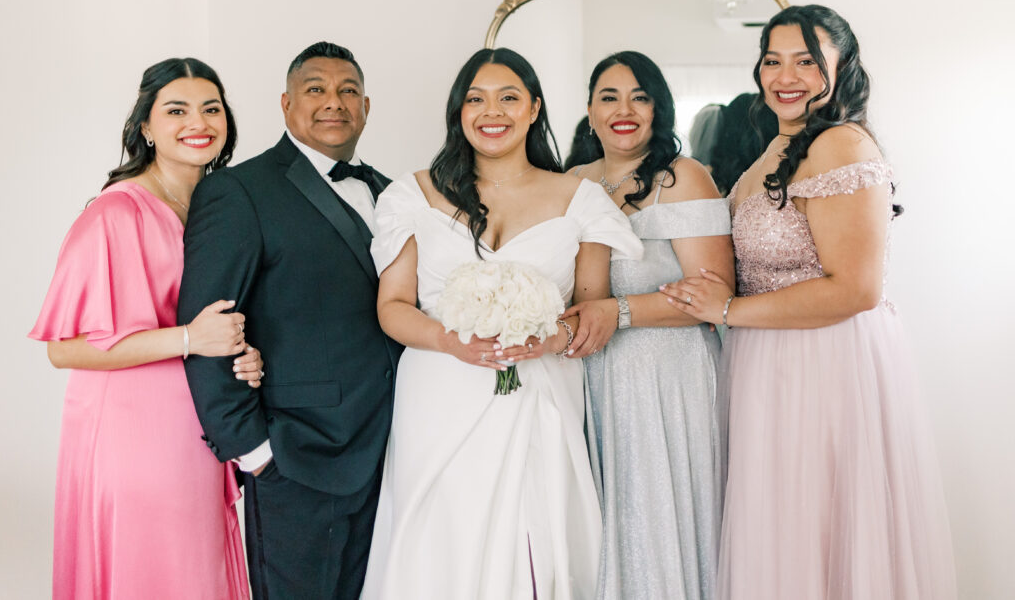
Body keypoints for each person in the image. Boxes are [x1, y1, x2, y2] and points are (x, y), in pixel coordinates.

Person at [662, 5, 957, 599]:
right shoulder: (778, 147)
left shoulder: (841, 144)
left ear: (841, 67)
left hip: (825, 363)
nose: (784, 76)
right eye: (772, 60)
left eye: (806, 61)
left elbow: (856, 289)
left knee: (821, 525)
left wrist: (727, 311)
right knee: (780, 530)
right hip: (766, 363)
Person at [360, 48, 642, 600]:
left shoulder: (582, 201)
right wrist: (448, 340)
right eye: (476, 98)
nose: (493, 111)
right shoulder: (412, 196)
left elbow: (590, 312)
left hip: (540, 390)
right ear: (458, 111)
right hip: (439, 388)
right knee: (442, 534)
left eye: (509, 97)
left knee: (533, 529)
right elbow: (391, 307)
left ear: (534, 108)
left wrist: (547, 339)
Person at [29, 57, 263, 599]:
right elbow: (62, 350)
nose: (197, 122)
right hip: (133, 436)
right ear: (146, 127)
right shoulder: (115, 214)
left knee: (195, 572)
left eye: (211, 108)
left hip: (202, 425)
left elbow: (220, 318)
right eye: (176, 110)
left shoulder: (217, 206)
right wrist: (188, 340)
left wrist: (242, 353)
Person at [178, 42, 402, 599]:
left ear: (367, 107)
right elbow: (209, 324)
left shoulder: (391, 191)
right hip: (298, 457)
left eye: (348, 90)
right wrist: (254, 451)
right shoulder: (238, 191)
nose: (334, 102)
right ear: (285, 104)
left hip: (392, 452)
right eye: (316, 89)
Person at [565, 51, 734, 599]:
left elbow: (714, 295)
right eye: (609, 97)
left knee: (662, 513)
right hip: (589, 376)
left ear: (659, 110)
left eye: (641, 97)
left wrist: (620, 311)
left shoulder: (683, 178)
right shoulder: (569, 183)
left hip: (667, 377)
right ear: (589, 110)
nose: (625, 110)